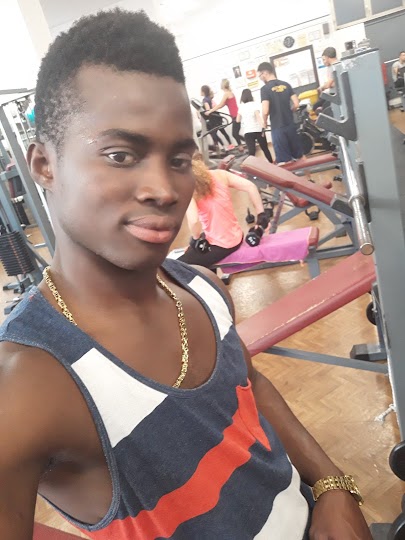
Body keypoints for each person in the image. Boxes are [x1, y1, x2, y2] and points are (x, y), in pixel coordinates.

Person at [0, 8, 372, 540]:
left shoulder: (200, 286)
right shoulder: (25, 382)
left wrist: (332, 486)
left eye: (178, 160)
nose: (164, 189)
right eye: (121, 155)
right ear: (43, 165)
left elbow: (251, 385)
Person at [178, 153, 264, 267]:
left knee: (177, 266)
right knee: (194, 250)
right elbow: (251, 186)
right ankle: (209, 274)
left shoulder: (188, 189)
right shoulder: (221, 174)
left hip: (222, 245)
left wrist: (195, 239)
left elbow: (194, 221)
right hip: (237, 236)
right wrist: (261, 214)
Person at [258, 61, 304, 165]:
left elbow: (265, 110)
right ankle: (308, 175)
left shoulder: (265, 89)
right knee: (300, 156)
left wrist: (264, 122)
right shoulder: (286, 84)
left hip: (278, 128)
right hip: (290, 125)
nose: (260, 78)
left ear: (264, 73)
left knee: (284, 162)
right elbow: (296, 103)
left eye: (260, 76)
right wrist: (290, 111)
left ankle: (291, 176)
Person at [206, 78, 244, 152]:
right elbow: (223, 105)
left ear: (222, 85)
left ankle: (242, 145)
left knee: (235, 133)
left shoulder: (226, 94)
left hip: (236, 115)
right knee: (235, 133)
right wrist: (213, 110)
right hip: (235, 115)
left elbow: (220, 104)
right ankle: (244, 143)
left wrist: (210, 111)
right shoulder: (230, 93)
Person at [237, 88, 273, 163]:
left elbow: (238, 120)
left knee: (251, 152)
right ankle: (271, 163)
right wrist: (263, 126)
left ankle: (251, 167)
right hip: (258, 130)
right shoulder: (254, 104)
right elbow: (258, 117)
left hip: (248, 132)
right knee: (265, 149)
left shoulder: (241, 107)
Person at [200, 84, 231, 153]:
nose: (200, 92)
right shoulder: (209, 98)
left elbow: (208, 109)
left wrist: (205, 113)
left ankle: (220, 149)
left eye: (200, 91)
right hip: (216, 118)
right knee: (218, 133)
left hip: (212, 119)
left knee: (214, 134)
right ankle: (224, 147)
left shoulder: (205, 100)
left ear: (203, 92)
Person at [313, 47, 339, 112]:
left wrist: (322, 87)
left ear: (327, 57)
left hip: (335, 95)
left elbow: (329, 85)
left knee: (316, 107)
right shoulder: (338, 64)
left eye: (324, 59)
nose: (323, 62)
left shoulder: (333, 67)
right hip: (334, 94)